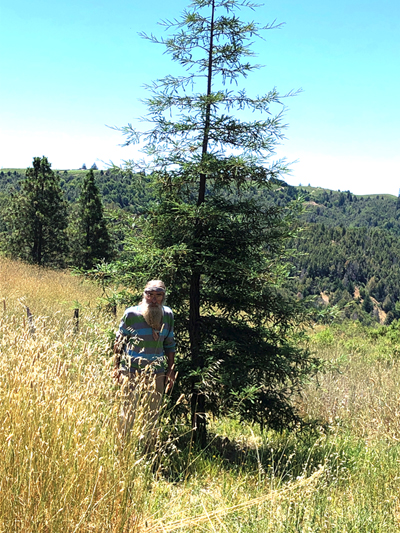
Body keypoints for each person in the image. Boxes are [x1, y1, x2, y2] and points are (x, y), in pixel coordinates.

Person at [114, 280, 176, 441]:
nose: (154, 299)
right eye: (150, 295)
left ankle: (148, 450)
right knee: (127, 413)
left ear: (163, 297)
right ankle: (123, 449)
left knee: (152, 414)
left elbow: (170, 344)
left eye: (158, 295)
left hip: (156, 373)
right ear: (144, 295)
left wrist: (170, 370)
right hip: (131, 370)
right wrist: (116, 368)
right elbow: (119, 342)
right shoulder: (132, 314)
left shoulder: (168, 315)